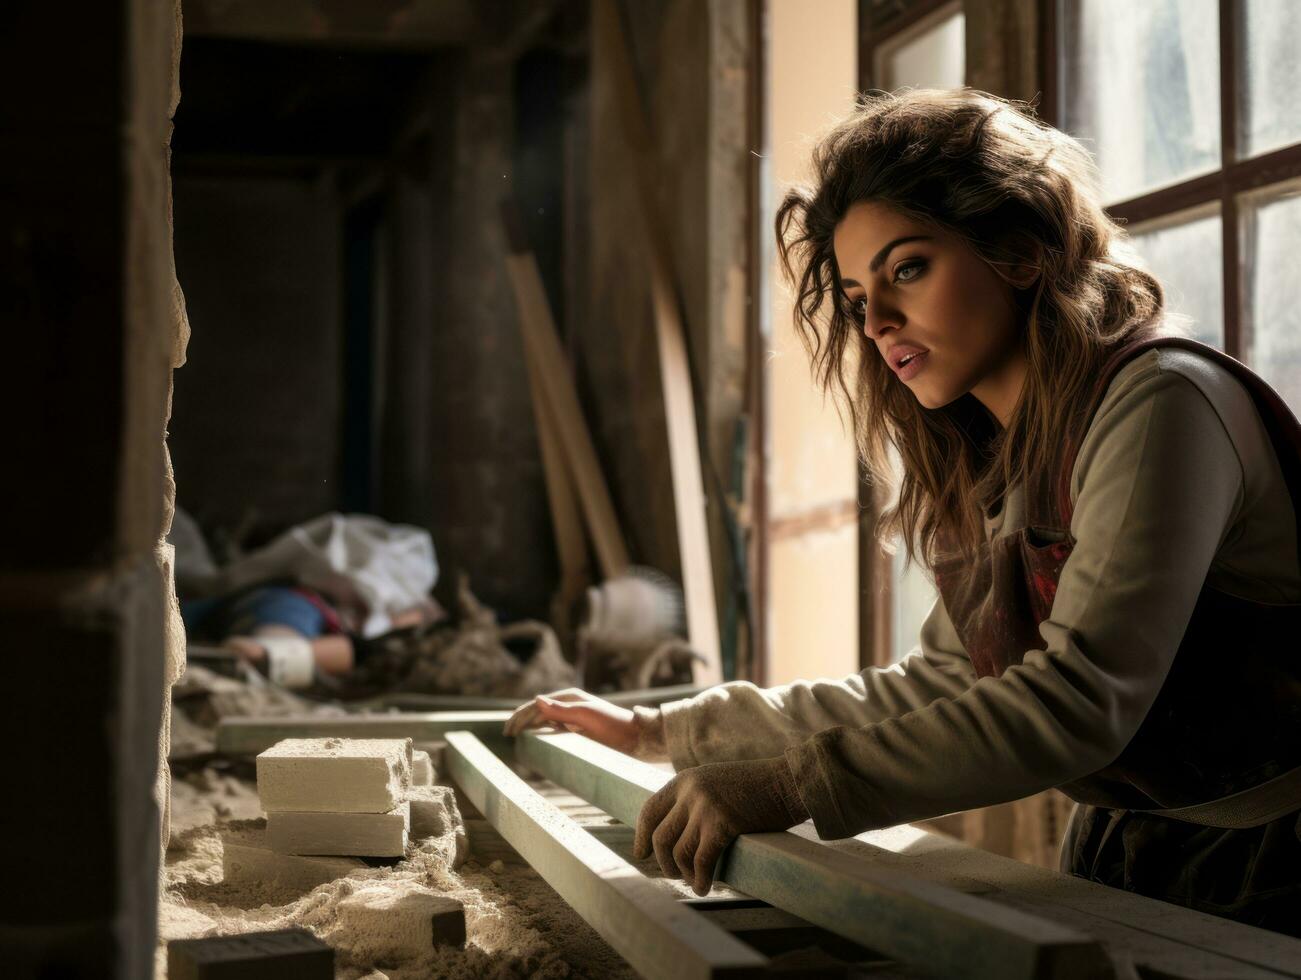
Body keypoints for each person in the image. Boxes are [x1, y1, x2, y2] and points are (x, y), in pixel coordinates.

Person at [506, 88, 1301, 934]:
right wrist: (655, 732)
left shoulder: (1161, 403)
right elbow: (940, 683)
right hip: (1117, 845)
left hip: (1271, 862)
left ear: (1020, 252)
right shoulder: (992, 446)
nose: (878, 321)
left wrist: (790, 786)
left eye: (907, 268)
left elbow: (1078, 701)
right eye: (855, 298)